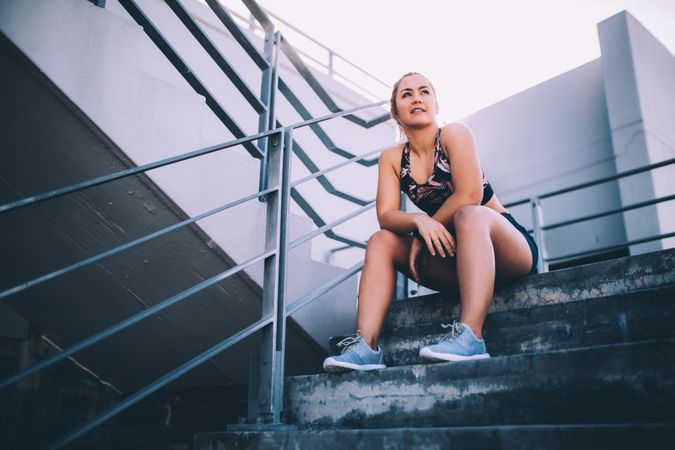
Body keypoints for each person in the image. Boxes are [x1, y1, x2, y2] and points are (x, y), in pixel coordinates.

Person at [323, 72, 538, 372]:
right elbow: (386, 216)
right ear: (395, 112)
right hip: (455, 261)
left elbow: (470, 194)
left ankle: (471, 337)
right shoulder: (393, 158)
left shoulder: (454, 134)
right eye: (406, 94)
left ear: (436, 104)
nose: (416, 98)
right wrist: (418, 222)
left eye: (424, 92)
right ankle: (366, 348)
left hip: (504, 249)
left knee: (468, 214)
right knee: (380, 241)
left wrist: (423, 235)